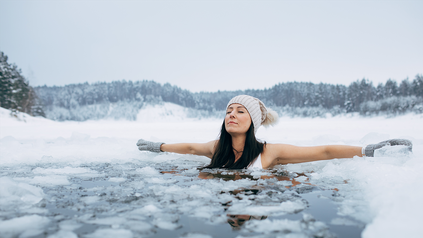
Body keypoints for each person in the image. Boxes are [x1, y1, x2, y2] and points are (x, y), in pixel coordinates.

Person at [137, 95, 412, 169]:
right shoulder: (216, 148)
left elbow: (323, 151)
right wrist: (158, 146)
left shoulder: (270, 153)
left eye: (240, 111)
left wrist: (367, 150)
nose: (231, 114)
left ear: (253, 122)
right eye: (229, 110)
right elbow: (188, 148)